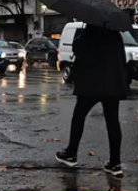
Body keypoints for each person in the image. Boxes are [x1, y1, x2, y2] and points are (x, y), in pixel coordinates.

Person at [55, 24, 130, 177]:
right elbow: (121, 58)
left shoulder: (90, 32)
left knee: (79, 116)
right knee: (112, 121)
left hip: (92, 83)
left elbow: (79, 50)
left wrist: (80, 36)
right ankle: (115, 162)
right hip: (112, 84)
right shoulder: (115, 34)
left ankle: (71, 152)